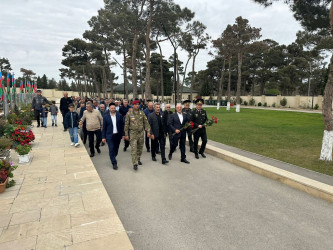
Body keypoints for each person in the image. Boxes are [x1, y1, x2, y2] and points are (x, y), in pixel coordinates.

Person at [124, 100, 151, 171]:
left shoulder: (142, 113)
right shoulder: (129, 114)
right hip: (133, 133)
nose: (137, 105)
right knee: (134, 149)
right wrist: (126, 134)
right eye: (135, 104)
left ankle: (138, 159)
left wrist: (148, 131)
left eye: (138, 104)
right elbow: (126, 125)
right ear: (133, 105)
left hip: (141, 133)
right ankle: (135, 163)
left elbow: (146, 122)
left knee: (140, 148)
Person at [102, 103, 124, 170]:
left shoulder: (119, 116)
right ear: (109, 109)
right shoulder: (106, 117)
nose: (113, 109)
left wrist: (123, 134)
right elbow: (104, 128)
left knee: (116, 149)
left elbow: (122, 126)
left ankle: (113, 157)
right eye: (111, 108)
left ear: (115, 108)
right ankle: (114, 163)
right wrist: (103, 137)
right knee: (111, 149)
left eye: (114, 108)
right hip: (109, 136)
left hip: (117, 135)